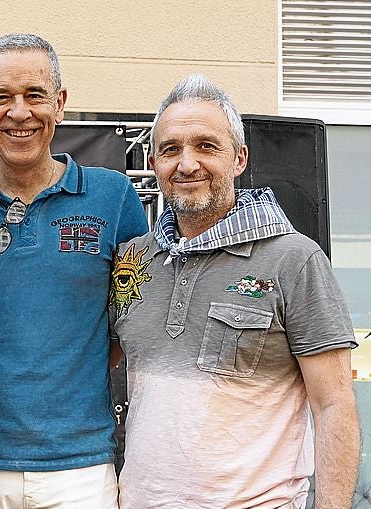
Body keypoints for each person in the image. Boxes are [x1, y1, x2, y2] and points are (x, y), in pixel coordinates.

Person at [110, 74, 359, 508]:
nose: (187, 164)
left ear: (240, 157)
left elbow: (334, 404)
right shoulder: (134, 260)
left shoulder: (295, 260)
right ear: (153, 163)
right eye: (171, 149)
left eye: (206, 146)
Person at [0, 33, 147, 508]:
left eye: (34, 95)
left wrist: (75, 362)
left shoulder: (113, 197)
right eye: (1, 97)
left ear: (61, 103)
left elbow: (131, 322)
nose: (19, 112)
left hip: (83, 468)